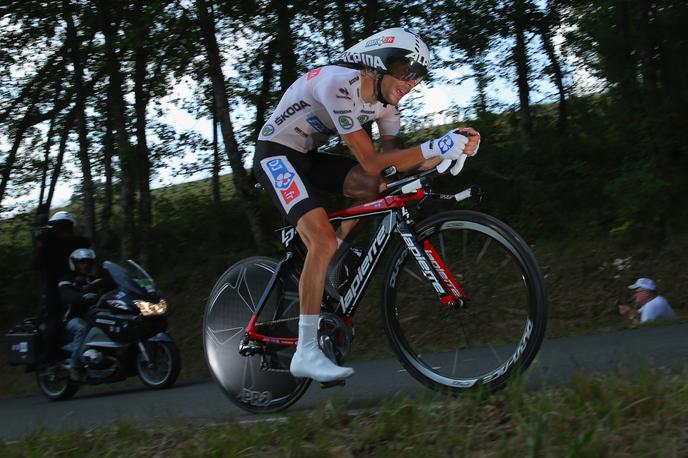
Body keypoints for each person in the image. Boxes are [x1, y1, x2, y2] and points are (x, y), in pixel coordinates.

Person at [253, 27, 481, 382]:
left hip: (309, 155)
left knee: (378, 188)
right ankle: (306, 351)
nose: (412, 82)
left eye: (419, 76)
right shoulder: (336, 84)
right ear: (377, 64)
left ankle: (334, 259)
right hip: (276, 154)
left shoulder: (387, 106)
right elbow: (371, 160)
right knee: (321, 239)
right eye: (407, 70)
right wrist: (435, 147)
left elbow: (392, 164)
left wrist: (450, 148)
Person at [33, 211, 92, 360]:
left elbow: (84, 244)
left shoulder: (66, 242)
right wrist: (42, 243)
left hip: (73, 283)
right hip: (54, 288)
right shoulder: (49, 243)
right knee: (54, 320)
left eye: (69, 226)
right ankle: (49, 356)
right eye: (65, 226)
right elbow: (36, 264)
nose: (67, 229)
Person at [59, 248, 102, 380]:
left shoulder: (93, 279)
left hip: (91, 316)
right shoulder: (67, 279)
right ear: (75, 263)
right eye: (82, 262)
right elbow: (67, 295)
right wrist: (81, 296)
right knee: (82, 329)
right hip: (71, 318)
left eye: (88, 262)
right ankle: (75, 367)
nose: (86, 265)